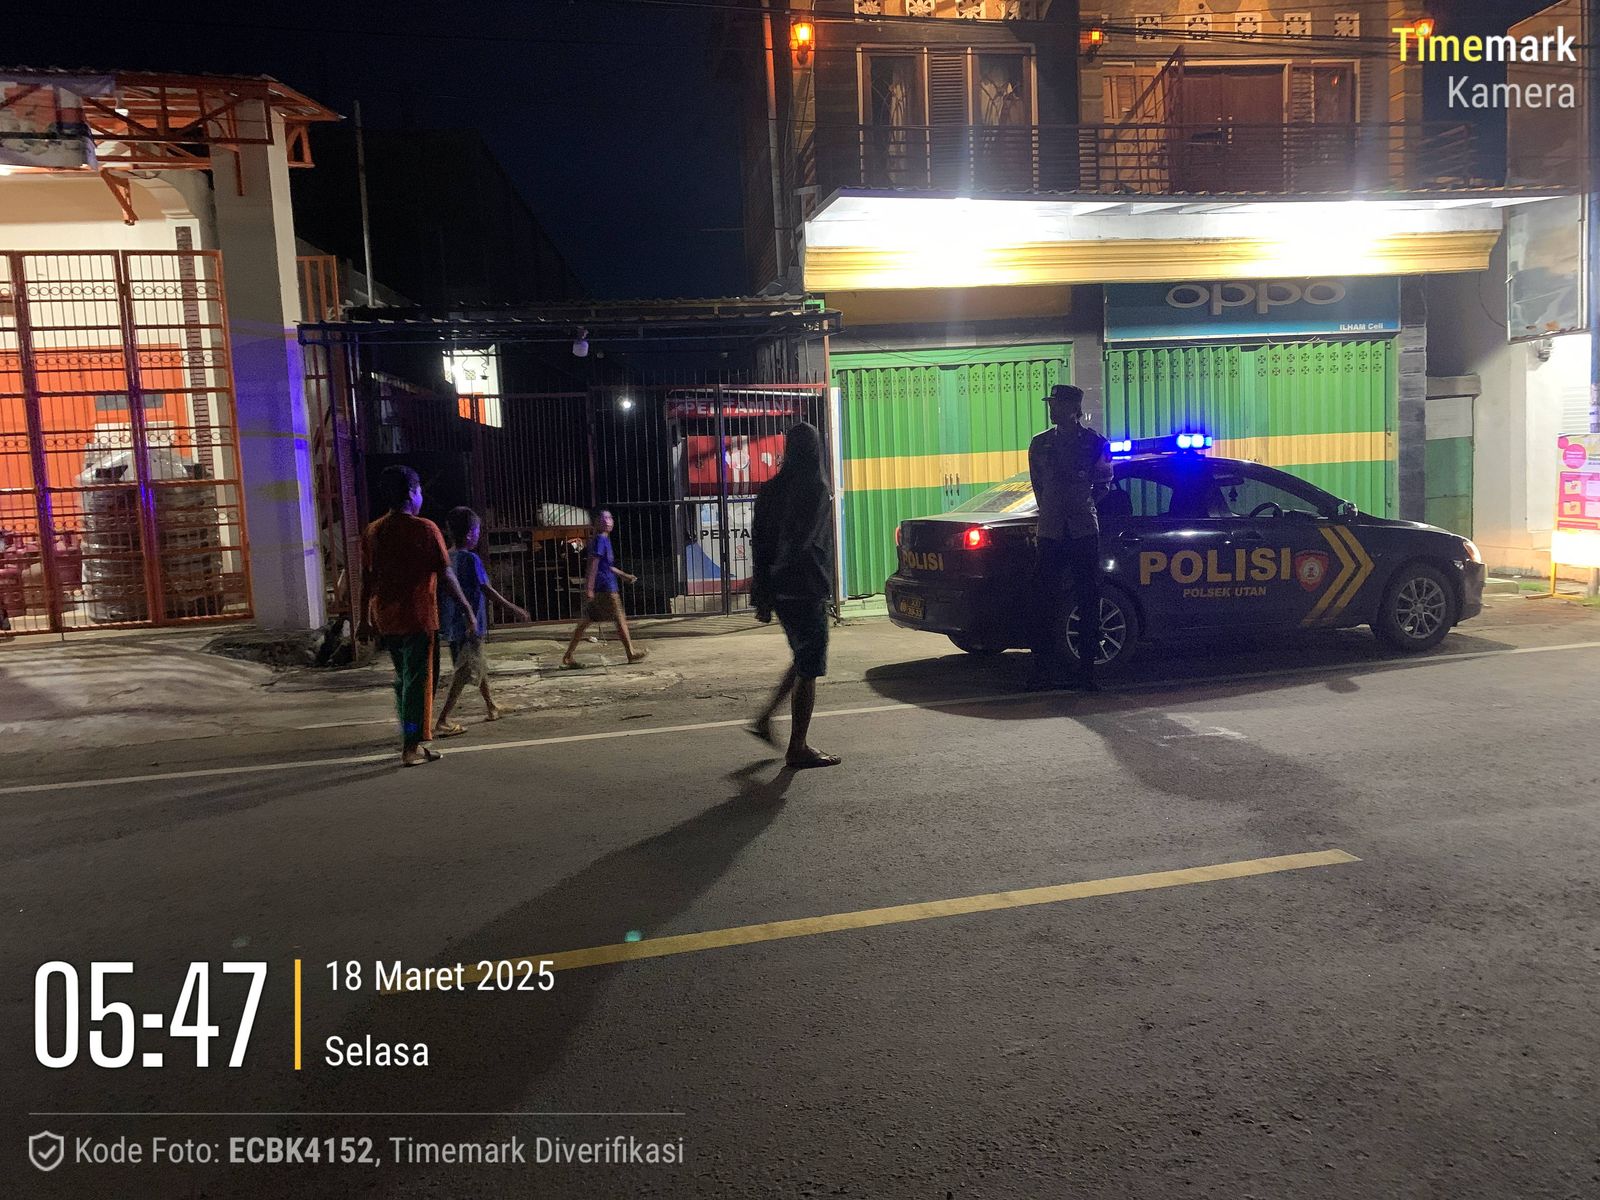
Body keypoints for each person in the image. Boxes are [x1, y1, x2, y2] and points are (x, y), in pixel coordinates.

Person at [356, 465, 476, 766]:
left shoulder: (373, 531)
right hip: (418, 617)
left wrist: (364, 619)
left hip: (386, 618)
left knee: (405, 681)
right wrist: (467, 608)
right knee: (420, 684)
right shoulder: (425, 529)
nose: (421, 494)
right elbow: (446, 574)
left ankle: (411, 737)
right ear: (411, 493)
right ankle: (411, 746)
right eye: (419, 489)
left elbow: (367, 578)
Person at [748, 422, 840, 769]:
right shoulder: (815, 488)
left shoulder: (771, 489)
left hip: (779, 589)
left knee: (803, 658)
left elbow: (759, 545)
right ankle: (797, 747)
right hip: (805, 587)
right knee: (810, 665)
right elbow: (802, 540)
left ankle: (764, 718)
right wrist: (799, 576)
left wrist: (764, 593)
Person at [1027, 384, 1113, 692]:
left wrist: (1079, 506)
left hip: (1083, 531)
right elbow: (1038, 486)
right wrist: (1054, 509)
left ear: (1074, 409)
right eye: (1051, 404)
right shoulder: (1040, 444)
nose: (1052, 409)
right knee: (1043, 602)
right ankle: (1042, 671)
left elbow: (1104, 483)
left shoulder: (1095, 443)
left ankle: (1086, 673)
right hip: (1050, 531)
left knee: (1088, 600)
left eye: (1058, 404)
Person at [434, 506, 529, 737]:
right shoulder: (470, 558)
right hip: (470, 623)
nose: (479, 535)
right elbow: (486, 589)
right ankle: (443, 719)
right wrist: (514, 608)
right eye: (477, 531)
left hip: (453, 624)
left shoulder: (447, 556)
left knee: (477, 664)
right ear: (469, 534)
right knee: (465, 671)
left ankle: (491, 706)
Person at [561, 509, 648, 668]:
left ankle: (568, 656)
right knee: (619, 618)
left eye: (610, 517)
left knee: (586, 621)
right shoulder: (601, 540)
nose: (608, 521)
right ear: (597, 522)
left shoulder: (602, 539)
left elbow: (606, 565)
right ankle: (630, 653)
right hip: (605, 587)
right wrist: (589, 587)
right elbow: (593, 564)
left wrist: (623, 575)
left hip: (603, 586)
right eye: (604, 518)